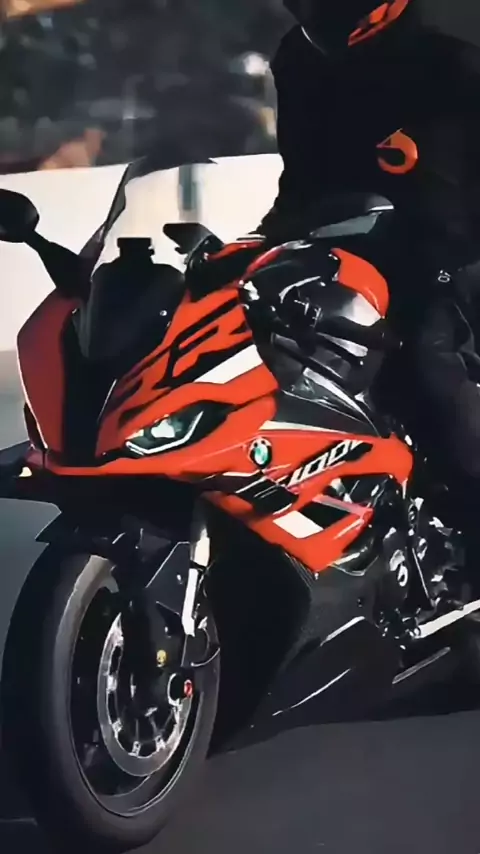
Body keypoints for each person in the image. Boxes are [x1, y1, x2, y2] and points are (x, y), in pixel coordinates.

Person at [259, 0, 480, 597]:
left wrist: (446, 224)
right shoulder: (300, 55)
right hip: (351, 244)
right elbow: (301, 176)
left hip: (456, 246)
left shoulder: (453, 46)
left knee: (428, 364)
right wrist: (262, 245)